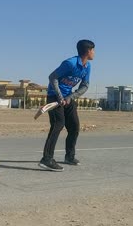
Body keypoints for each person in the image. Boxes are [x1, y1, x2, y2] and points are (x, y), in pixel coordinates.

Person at [39, 39, 95, 172]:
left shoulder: (87, 66)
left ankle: (69, 156)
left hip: (68, 97)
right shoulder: (70, 63)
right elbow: (52, 77)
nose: (94, 53)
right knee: (58, 124)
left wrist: (70, 97)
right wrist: (60, 97)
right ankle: (47, 159)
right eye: (93, 50)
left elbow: (85, 85)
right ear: (88, 51)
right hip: (54, 96)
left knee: (74, 126)